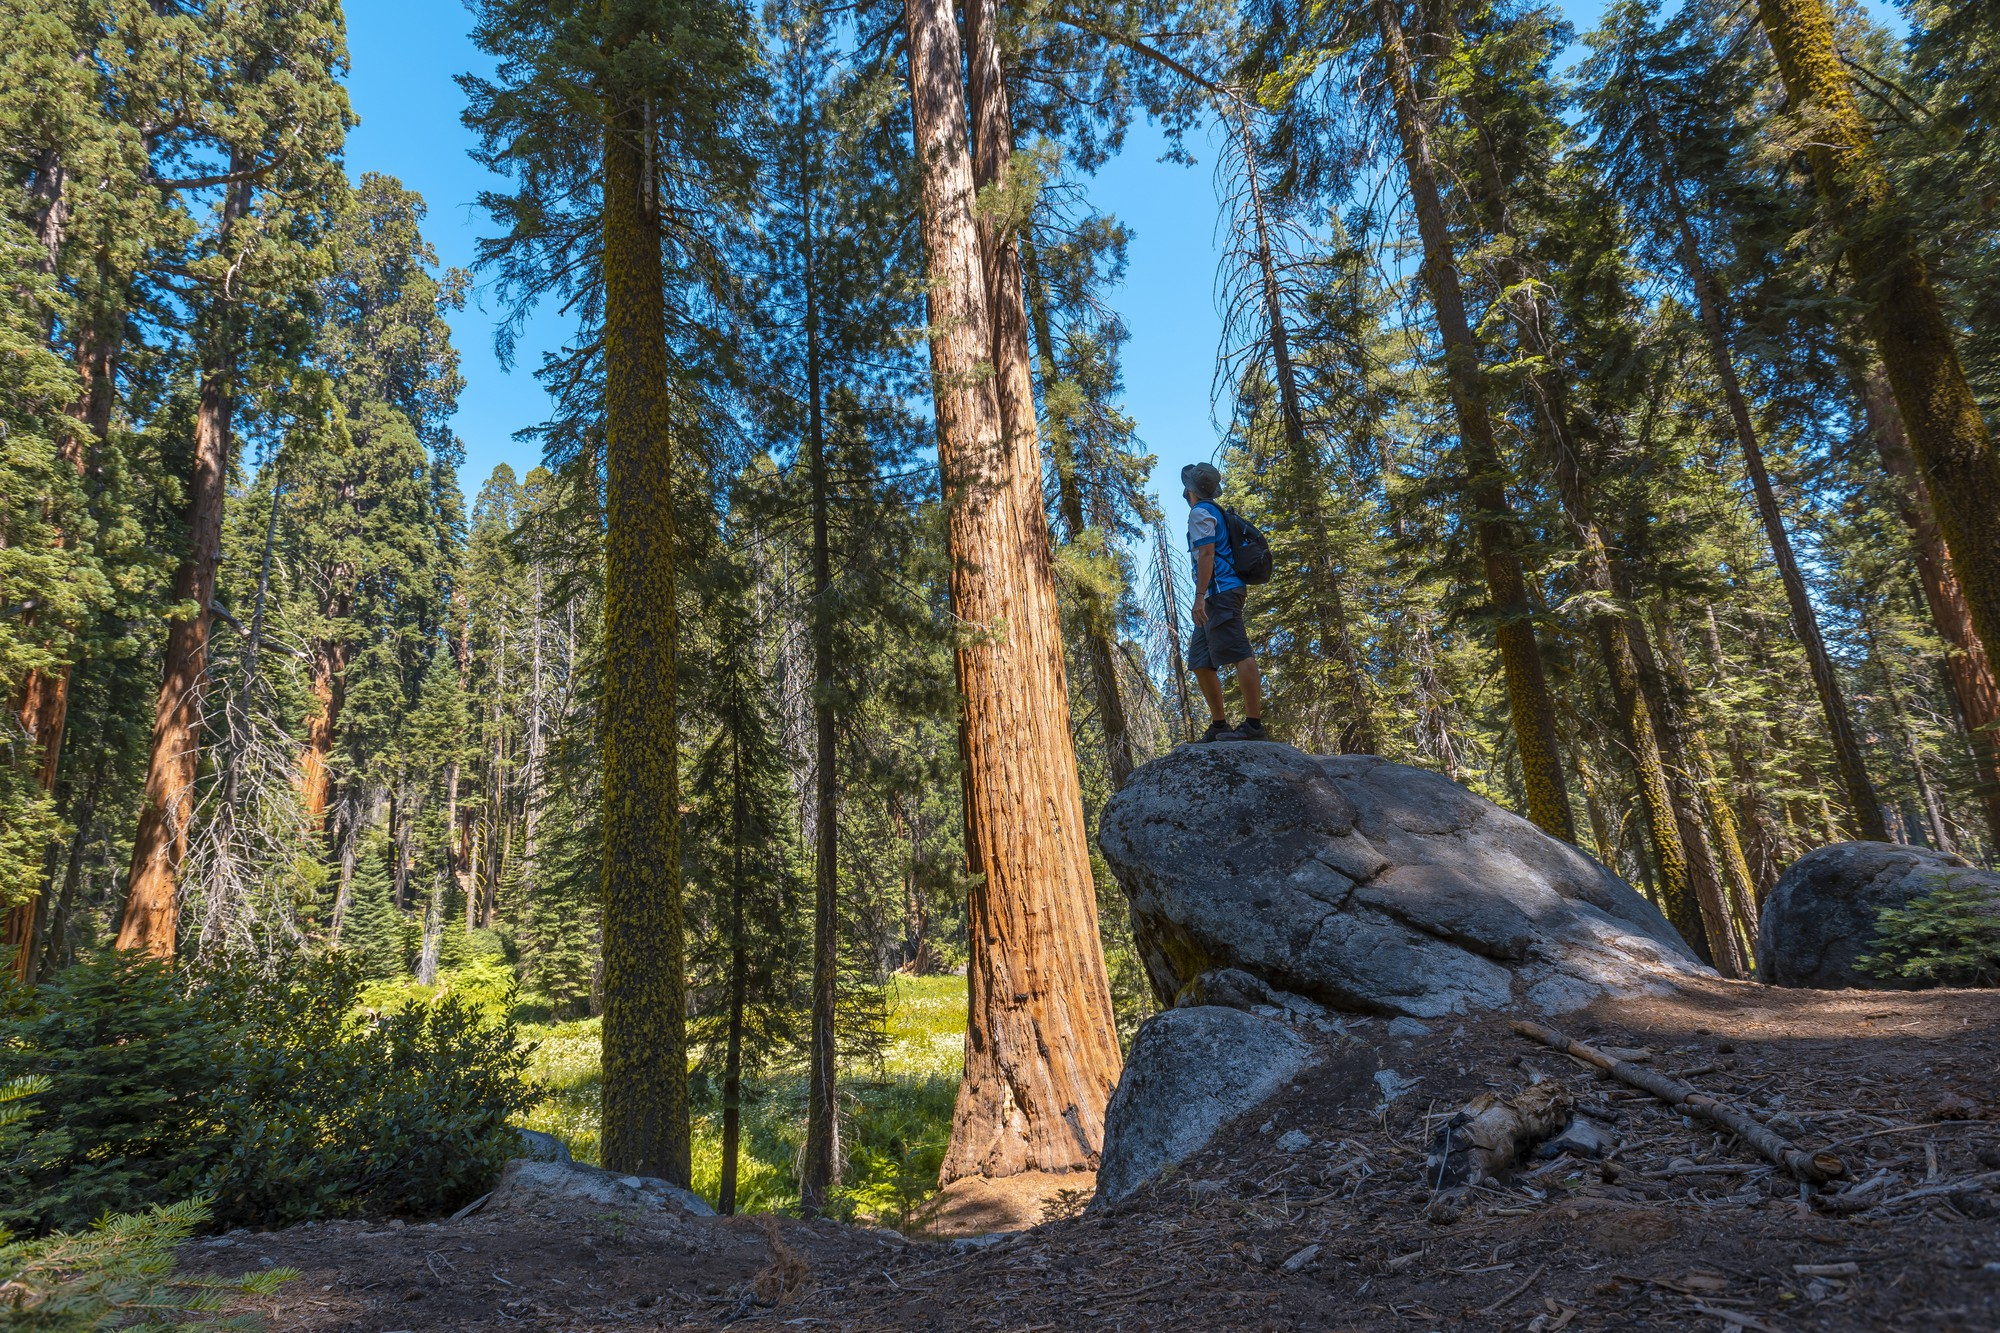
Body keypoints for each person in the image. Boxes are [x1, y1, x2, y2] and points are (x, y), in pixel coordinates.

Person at [1181, 462, 1265, 741]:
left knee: (1240, 652)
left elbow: (1207, 555)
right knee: (1200, 661)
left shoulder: (1200, 512)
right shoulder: (1210, 511)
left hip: (1220, 593)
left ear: (1190, 489)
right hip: (1217, 594)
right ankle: (1219, 725)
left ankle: (1254, 725)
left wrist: (1199, 597)